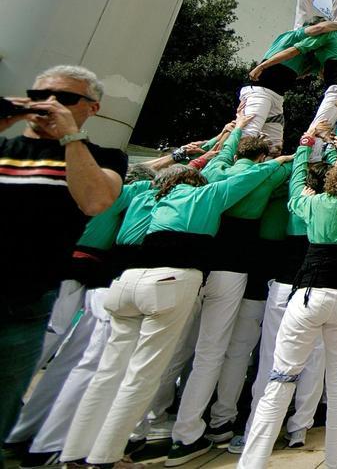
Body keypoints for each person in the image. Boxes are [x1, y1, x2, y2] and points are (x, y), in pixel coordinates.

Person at [60, 121, 285, 468]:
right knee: (149, 369)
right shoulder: (207, 194)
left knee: (110, 369)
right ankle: (110, 455)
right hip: (172, 281)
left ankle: (77, 449)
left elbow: (217, 160)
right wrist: (285, 157)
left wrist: (234, 131)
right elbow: (246, 177)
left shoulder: (156, 198)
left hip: (126, 282)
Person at [238, 129, 337, 469]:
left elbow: (295, 192)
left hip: (309, 295)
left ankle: (252, 462)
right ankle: (335, 462)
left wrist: (304, 148)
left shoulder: (316, 204)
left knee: (281, 377)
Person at [0, 65, 126, 443]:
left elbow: (95, 199)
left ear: (93, 107)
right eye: (39, 97)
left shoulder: (101, 158)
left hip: (23, 305)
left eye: (66, 99)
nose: (50, 105)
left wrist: (71, 136)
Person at [166, 132, 290, 465]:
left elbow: (219, 155)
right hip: (238, 266)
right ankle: (205, 425)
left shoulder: (218, 171)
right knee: (226, 350)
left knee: (183, 345)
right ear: (263, 156)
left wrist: (235, 129)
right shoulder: (264, 176)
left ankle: (160, 419)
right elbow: (297, 170)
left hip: (200, 263)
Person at [251, 16, 337, 161]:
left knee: (316, 132)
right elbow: (320, 71)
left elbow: (294, 51)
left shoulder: (327, 33)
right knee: (335, 135)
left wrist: (262, 66)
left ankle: (308, 170)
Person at [240, 19, 337, 148]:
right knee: (249, 133)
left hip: (277, 97)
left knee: (274, 145)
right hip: (260, 89)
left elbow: (321, 73)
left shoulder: (310, 55)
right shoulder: (293, 35)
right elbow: (319, 29)